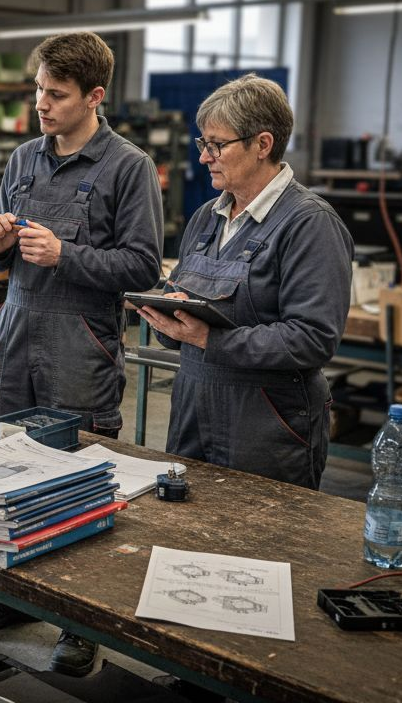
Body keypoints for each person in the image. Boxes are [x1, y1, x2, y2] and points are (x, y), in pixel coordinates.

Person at [0, 32, 163, 676]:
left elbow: (142, 266)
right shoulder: (24, 160)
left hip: (79, 347)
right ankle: (10, 596)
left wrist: (68, 255)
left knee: (78, 486)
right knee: (5, 473)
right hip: (17, 338)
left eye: (56, 95)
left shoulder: (127, 167)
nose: (42, 105)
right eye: (38, 91)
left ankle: (78, 623)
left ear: (94, 97)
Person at [138, 73, 353, 490]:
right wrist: (167, 315)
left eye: (216, 145)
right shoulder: (206, 218)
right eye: (203, 144)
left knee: (264, 544)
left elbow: (312, 338)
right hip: (192, 412)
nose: (205, 157)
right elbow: (187, 314)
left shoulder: (309, 224)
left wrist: (210, 339)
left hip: (267, 425)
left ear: (262, 145)